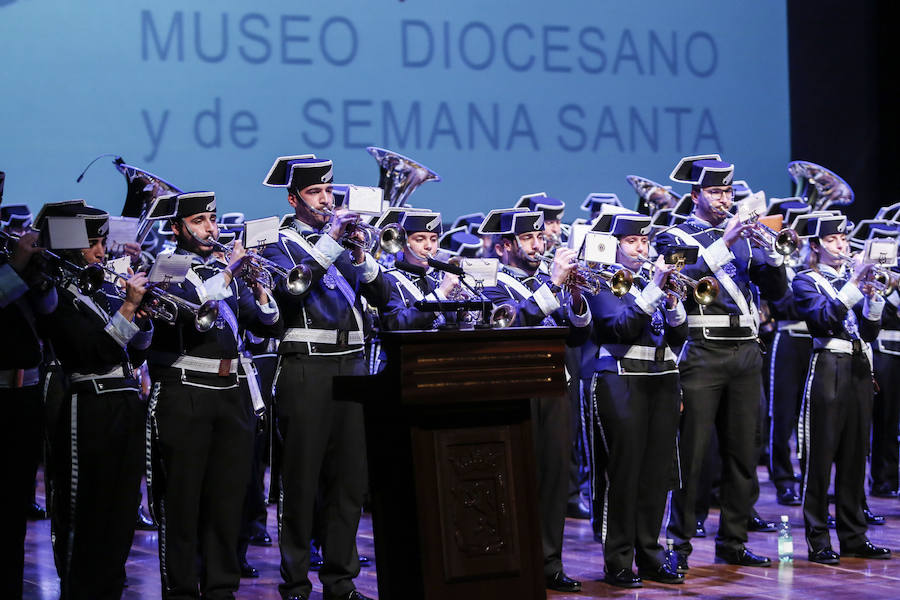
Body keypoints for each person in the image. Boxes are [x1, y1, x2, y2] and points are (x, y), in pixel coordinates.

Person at [260, 155, 392, 600]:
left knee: (348, 480)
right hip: (307, 365)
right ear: (294, 198)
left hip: (352, 364)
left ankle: (341, 580)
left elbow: (387, 297)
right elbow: (287, 291)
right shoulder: (276, 243)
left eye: (329, 191)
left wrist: (361, 252)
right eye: (316, 192)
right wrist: (333, 241)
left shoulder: (342, 245)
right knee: (301, 479)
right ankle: (295, 580)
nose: (326, 199)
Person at [144, 191, 281, 599]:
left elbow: (263, 327)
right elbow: (184, 307)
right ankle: (182, 591)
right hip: (184, 393)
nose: (211, 229)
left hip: (231, 392)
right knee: (184, 504)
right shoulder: (168, 265)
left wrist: (259, 290)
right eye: (200, 220)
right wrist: (226, 276)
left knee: (228, 502)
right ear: (176, 227)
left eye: (213, 219)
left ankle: (222, 589)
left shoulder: (224, 271)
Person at [655, 155, 787, 571]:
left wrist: (774, 252)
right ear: (695, 195)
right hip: (703, 349)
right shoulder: (674, 234)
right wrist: (727, 241)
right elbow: (683, 278)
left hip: (747, 350)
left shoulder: (748, 236)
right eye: (715, 191)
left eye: (728, 191)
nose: (724, 198)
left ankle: (734, 541)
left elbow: (778, 293)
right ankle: (678, 545)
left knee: (744, 454)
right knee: (693, 455)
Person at [34, 202, 153, 600]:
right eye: (93, 244)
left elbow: (134, 351)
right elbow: (93, 351)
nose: (103, 251)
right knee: (86, 514)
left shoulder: (100, 289)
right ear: (70, 248)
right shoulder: (55, 294)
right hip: (89, 405)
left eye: (102, 242)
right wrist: (129, 307)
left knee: (121, 515)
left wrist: (143, 316)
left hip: (125, 404)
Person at [478, 206, 591, 593]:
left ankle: (549, 562)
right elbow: (509, 323)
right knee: (513, 480)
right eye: (527, 238)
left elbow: (577, 337)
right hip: (514, 388)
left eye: (539, 237)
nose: (537, 245)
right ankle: (509, 562)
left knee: (554, 479)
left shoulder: (549, 281)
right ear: (504, 247)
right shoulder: (491, 282)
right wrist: (556, 287)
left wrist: (576, 300)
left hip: (554, 386)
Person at [585, 212, 686, 587]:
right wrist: (655, 289)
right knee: (625, 474)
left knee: (656, 475)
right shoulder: (602, 281)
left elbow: (678, 337)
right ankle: (618, 560)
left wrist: (673, 301)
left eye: (644, 241)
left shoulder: (647, 281)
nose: (641, 247)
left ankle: (651, 553)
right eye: (632, 242)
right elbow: (619, 329)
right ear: (614, 244)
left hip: (661, 380)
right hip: (621, 380)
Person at [792, 213, 892, 564]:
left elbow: (867, 332)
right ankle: (818, 539)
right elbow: (823, 319)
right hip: (829, 366)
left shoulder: (850, 280)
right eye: (834, 241)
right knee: (820, 457)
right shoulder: (806, 280)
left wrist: (874, 296)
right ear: (817, 245)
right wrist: (855, 284)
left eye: (844, 240)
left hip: (861, 366)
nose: (842, 246)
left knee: (855, 456)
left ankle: (854, 535)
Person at [0, 171, 58, 600]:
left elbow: (47, 308)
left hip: (24, 393)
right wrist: (18, 263)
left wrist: (42, 267)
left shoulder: (6, 241)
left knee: (16, 506)